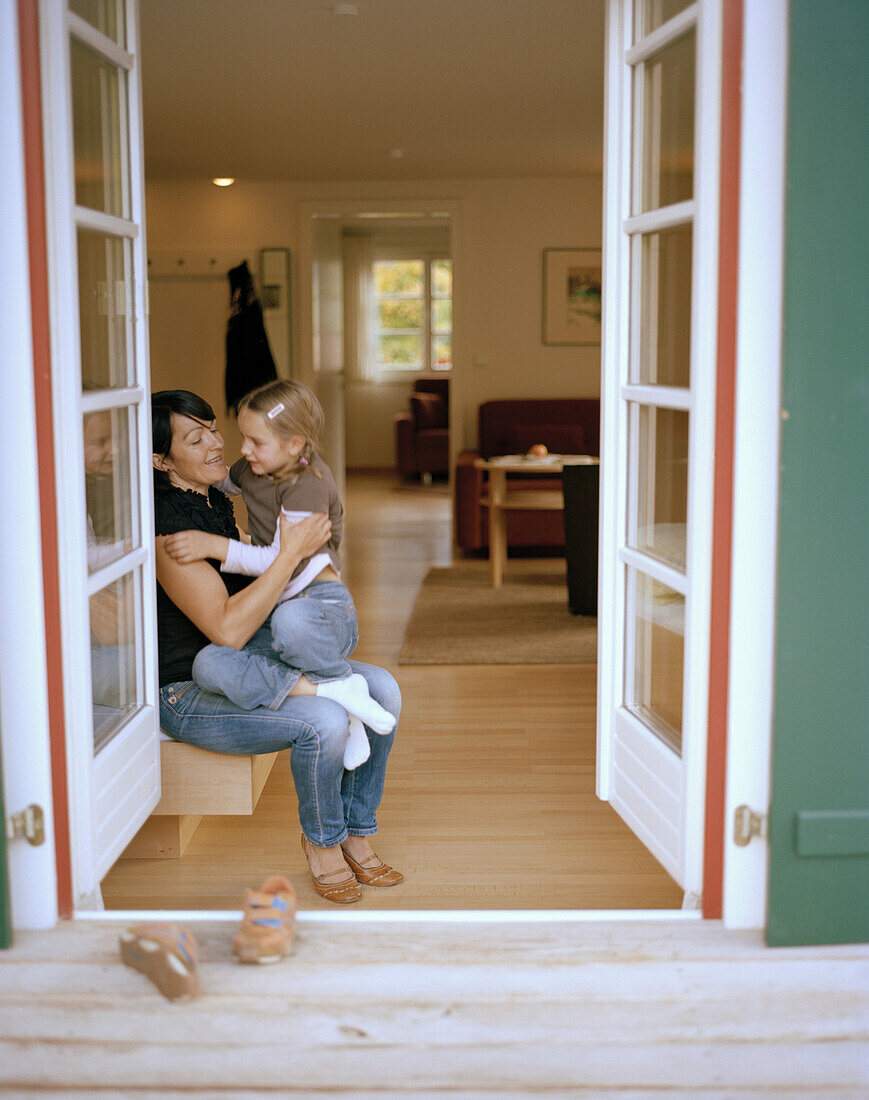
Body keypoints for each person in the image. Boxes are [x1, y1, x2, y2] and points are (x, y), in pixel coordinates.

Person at [151, 389, 403, 904]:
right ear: (160, 460)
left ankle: (358, 831)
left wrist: (313, 578)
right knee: (327, 721)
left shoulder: (215, 498)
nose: (219, 445)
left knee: (385, 688)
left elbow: (262, 572)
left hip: (253, 665)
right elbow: (227, 630)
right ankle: (323, 842)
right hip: (194, 687)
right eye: (196, 438)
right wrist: (290, 555)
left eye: (213, 429)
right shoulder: (169, 528)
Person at [162, 379, 393, 770]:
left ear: (294, 444)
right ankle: (338, 692)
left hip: (304, 613)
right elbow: (219, 482)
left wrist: (219, 546)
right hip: (258, 628)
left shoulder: (304, 487)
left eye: (215, 431)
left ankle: (340, 697)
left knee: (302, 630)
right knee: (213, 663)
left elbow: (280, 557)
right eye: (198, 439)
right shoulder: (245, 475)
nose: (233, 447)